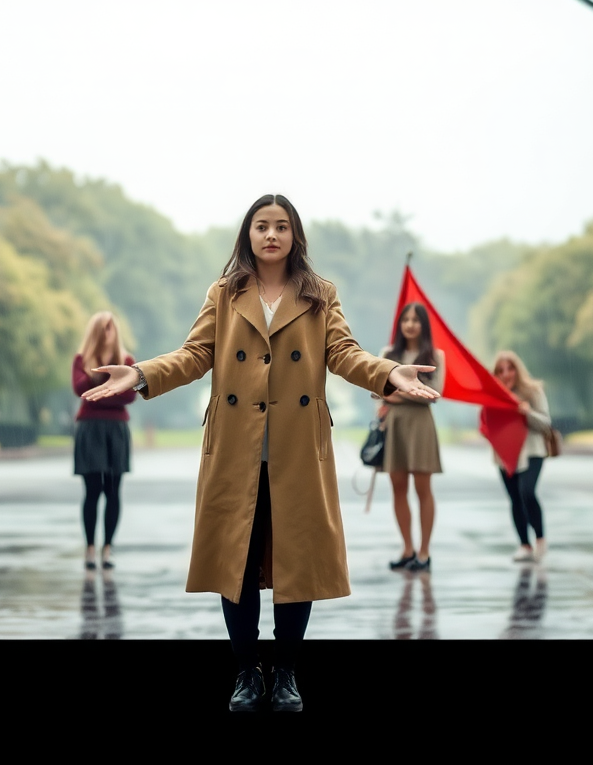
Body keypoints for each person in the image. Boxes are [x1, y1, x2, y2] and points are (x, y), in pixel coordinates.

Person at [83, 195, 438, 713]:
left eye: (281, 226)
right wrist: (140, 374)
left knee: (299, 560)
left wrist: (387, 372)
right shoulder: (225, 293)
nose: (271, 235)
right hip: (235, 449)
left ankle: (287, 674)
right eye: (261, 226)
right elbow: (196, 354)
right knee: (237, 561)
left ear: (295, 236)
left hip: (297, 450)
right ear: (247, 234)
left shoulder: (320, 295)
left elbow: (342, 352)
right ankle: (246, 673)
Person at [377, 302, 444, 573]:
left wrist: (396, 391)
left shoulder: (435, 355)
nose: (410, 324)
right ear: (400, 324)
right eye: (406, 319)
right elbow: (378, 391)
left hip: (421, 426)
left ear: (423, 324)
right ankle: (407, 549)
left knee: (423, 489)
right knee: (398, 487)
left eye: (416, 319)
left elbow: (434, 395)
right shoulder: (387, 353)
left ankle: (425, 552)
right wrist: (412, 391)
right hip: (394, 426)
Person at [72, 311, 136, 571]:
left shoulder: (127, 360)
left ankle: (107, 547)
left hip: (116, 430)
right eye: (101, 328)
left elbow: (131, 395)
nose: (105, 333)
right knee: (92, 491)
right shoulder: (82, 359)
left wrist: (100, 391)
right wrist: (110, 386)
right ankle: (89, 547)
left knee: (113, 491)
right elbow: (81, 391)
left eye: (109, 328)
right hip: (90, 429)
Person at [492, 350, 553, 563]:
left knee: (527, 492)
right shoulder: (495, 396)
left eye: (510, 368)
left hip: (531, 452)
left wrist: (527, 412)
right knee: (515, 499)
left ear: (518, 370)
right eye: (500, 371)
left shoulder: (533, 391)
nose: (506, 374)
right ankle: (524, 545)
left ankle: (540, 539)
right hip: (505, 456)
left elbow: (546, 423)